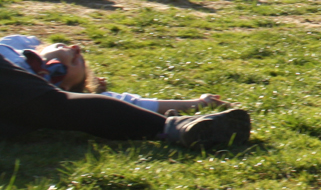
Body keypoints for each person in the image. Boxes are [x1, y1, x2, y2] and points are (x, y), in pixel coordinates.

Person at [0, 34, 250, 147]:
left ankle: (178, 128)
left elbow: (137, 104)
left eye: (75, 62)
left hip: (22, 107)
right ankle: (174, 127)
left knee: (47, 105)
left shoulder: (58, 96)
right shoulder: (15, 47)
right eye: (63, 45)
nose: (75, 48)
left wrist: (199, 102)